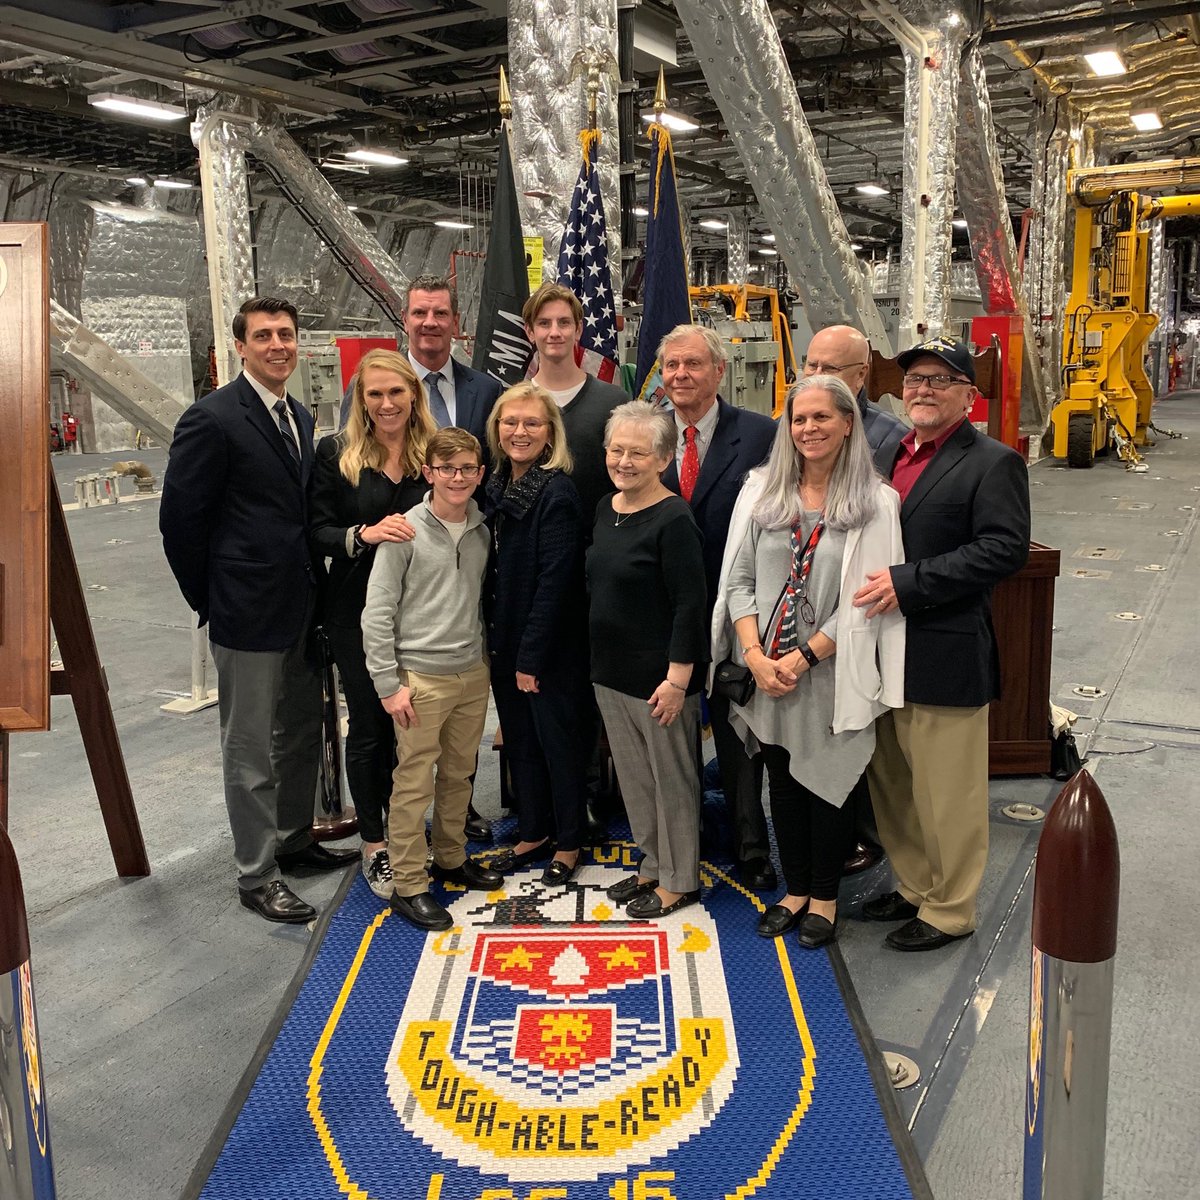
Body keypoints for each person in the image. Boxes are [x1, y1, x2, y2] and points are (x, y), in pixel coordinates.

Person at [160, 296, 355, 925]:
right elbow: (180, 524)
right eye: (265, 335)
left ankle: (294, 839)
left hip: (300, 609)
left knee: (298, 732)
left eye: (287, 335)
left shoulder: (298, 415)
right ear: (240, 347)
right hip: (245, 612)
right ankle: (256, 871)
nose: (278, 345)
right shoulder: (211, 419)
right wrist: (212, 600)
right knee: (249, 748)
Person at [712, 376, 906, 948]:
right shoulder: (762, 493)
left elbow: (867, 601)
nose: (809, 429)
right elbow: (739, 581)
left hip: (828, 673)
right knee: (783, 782)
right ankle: (794, 890)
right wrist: (753, 655)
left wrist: (800, 658)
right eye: (799, 419)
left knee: (829, 786)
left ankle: (825, 898)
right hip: (768, 673)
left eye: (823, 418)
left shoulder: (876, 503)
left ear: (849, 423)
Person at [853, 336, 1030, 952]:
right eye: (914, 380)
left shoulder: (991, 462)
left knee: (946, 792)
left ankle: (951, 909)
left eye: (938, 379)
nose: (921, 389)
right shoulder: (885, 453)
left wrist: (911, 582)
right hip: (878, 652)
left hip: (942, 648)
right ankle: (913, 885)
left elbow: (1003, 549)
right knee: (894, 784)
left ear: (968, 396)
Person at [361, 427, 503, 930]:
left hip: (470, 673)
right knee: (413, 782)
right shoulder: (405, 532)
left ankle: (450, 856)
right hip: (419, 678)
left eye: (468, 468)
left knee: (460, 774)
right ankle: (409, 884)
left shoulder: (484, 530)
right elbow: (376, 612)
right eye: (447, 469)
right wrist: (388, 683)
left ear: (480, 474)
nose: (458, 478)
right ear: (429, 473)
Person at [309, 349, 435, 900]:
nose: (386, 403)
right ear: (360, 399)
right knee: (368, 725)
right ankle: (375, 843)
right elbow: (315, 530)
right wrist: (362, 535)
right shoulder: (336, 454)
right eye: (374, 393)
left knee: (414, 727)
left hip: (424, 614)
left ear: (414, 395)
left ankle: (409, 828)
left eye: (396, 392)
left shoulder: (433, 452)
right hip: (356, 613)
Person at [658, 324, 777, 890]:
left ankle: (751, 846)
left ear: (719, 372)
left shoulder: (760, 436)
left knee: (739, 734)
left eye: (693, 365)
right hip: (663, 619)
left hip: (738, 615)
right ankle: (678, 840)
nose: (680, 375)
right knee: (670, 732)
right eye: (671, 365)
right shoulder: (646, 432)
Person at [588, 401, 709, 919]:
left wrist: (679, 678)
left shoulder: (675, 519)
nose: (624, 461)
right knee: (637, 779)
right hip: (610, 673)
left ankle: (681, 879)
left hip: (659, 679)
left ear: (663, 459)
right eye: (617, 450)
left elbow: (690, 604)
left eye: (638, 452)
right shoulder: (604, 507)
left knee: (672, 780)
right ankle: (654, 863)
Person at [803, 323, 909, 875]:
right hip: (796, 610)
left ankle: (860, 839)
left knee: (855, 740)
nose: (817, 378)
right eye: (811, 366)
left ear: (861, 376)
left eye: (831, 369)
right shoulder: (794, 426)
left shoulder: (890, 439)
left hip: (857, 610)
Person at [403, 273, 501, 842]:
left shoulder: (483, 390)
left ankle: (455, 827)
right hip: (405, 553)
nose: (430, 323)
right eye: (420, 313)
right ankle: (398, 842)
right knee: (409, 739)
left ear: (455, 322)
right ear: (406, 320)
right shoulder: (384, 387)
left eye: (440, 313)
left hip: (469, 557)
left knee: (461, 731)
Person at [483, 382, 588, 885]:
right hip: (504, 643)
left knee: (557, 745)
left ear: (550, 434)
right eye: (510, 422)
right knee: (521, 742)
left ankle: (568, 843)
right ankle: (533, 830)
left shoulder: (557, 492)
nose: (519, 432)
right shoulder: (496, 486)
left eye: (531, 423)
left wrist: (530, 657)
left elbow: (556, 582)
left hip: (547, 651)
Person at [524, 281, 628, 530]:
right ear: (530, 332)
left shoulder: (615, 402)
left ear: (578, 329)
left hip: (597, 547)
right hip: (534, 552)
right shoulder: (513, 405)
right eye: (544, 323)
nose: (555, 332)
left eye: (564, 322)